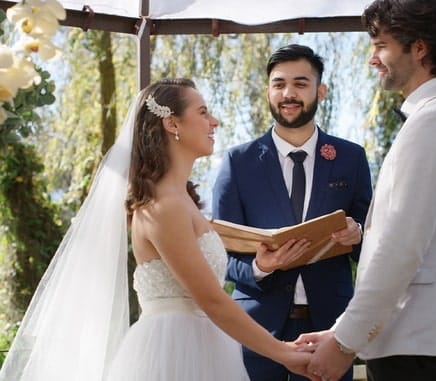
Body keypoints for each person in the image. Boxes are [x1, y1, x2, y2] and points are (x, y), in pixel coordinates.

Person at [0, 78, 313, 381]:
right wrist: (282, 352)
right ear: (172, 124)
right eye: (203, 112)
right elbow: (212, 300)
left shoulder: (184, 202)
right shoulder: (163, 207)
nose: (214, 121)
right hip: (171, 352)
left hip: (204, 346)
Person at [296, 1, 436, 381]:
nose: (372, 59)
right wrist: (339, 332)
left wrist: (344, 343)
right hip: (414, 339)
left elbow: (401, 247)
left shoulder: (435, 122)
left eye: (380, 44)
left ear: (419, 47)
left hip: (417, 342)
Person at [212, 44, 372, 381]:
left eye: (300, 83)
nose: (288, 93)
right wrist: (259, 267)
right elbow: (217, 254)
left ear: (320, 91)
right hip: (255, 330)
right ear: (268, 91)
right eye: (279, 84)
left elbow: (374, 243)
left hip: (331, 329)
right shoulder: (237, 162)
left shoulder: (351, 157)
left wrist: (358, 233)